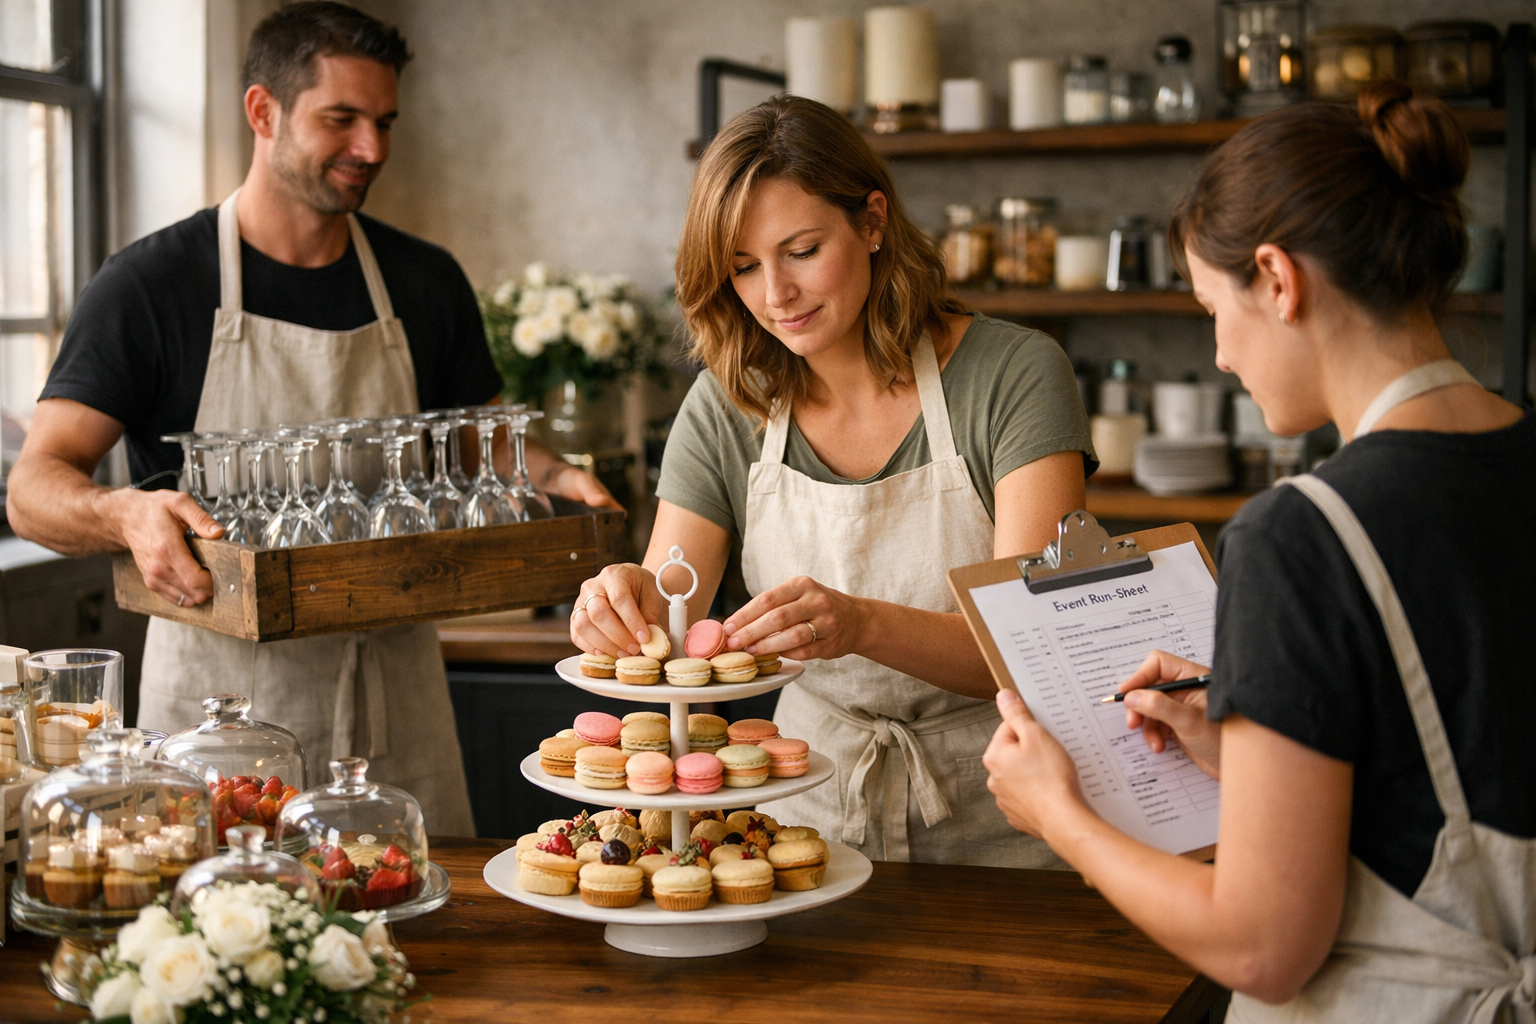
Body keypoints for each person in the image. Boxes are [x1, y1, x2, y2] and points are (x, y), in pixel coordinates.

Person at [983, 81, 1533, 1021]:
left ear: (1278, 280)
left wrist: (1060, 818)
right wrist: (1242, 745)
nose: (1223, 355)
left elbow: (1264, 946)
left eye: (1211, 309)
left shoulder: (1298, 534)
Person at [6, 2, 614, 835]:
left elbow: (476, 429)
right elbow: (32, 490)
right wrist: (126, 512)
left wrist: (554, 475)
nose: (373, 149)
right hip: (219, 715)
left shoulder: (423, 279)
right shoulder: (151, 284)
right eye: (342, 120)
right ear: (264, 112)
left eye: (385, 121)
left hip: (399, 699)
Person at [571, 96, 1095, 867]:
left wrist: (860, 625)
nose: (774, 293)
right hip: (803, 810)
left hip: (1004, 806)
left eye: (803, 250)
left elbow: (1025, 645)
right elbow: (668, 608)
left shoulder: (1014, 374)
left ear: (873, 221)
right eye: (743, 267)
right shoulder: (728, 401)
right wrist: (620, 604)